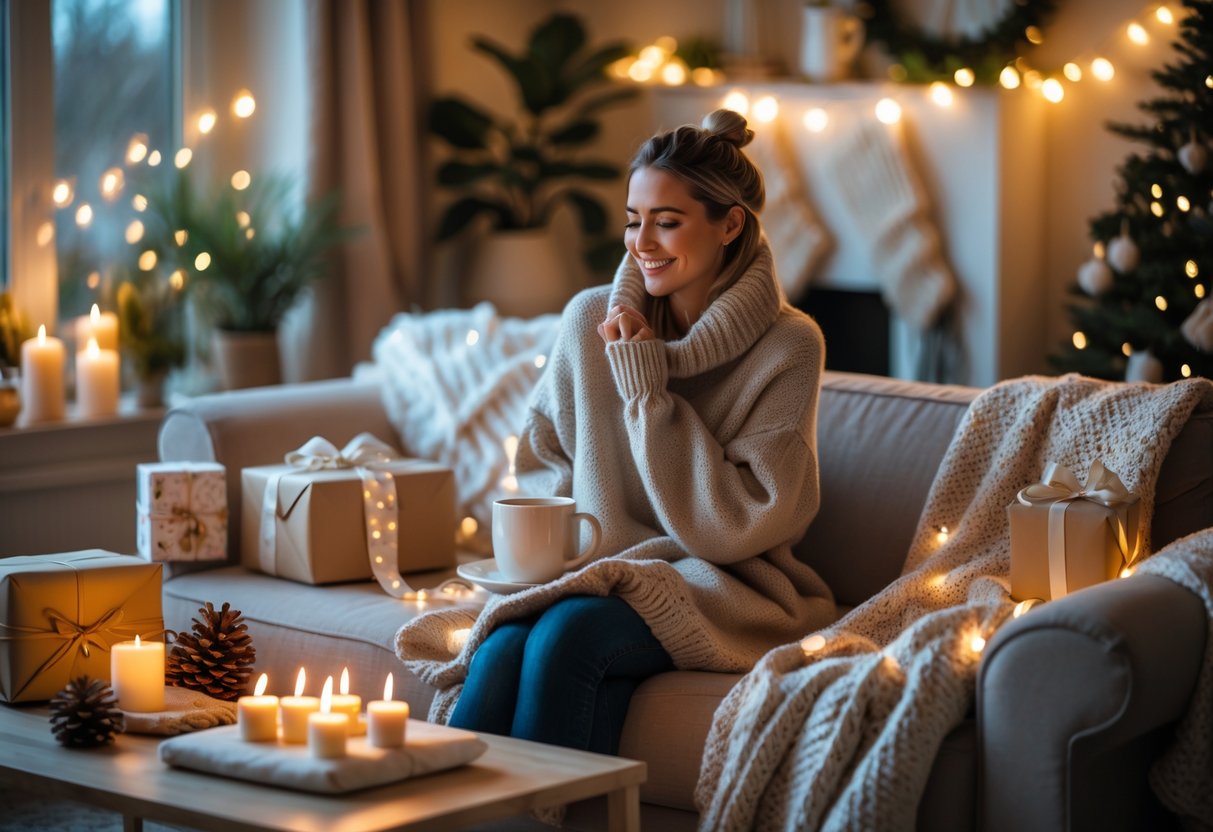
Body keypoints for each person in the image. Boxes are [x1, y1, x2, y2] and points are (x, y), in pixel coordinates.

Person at [445, 108, 834, 755]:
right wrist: (562, 550)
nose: (641, 242)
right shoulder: (589, 320)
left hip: (724, 586)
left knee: (566, 638)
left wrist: (648, 394)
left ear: (729, 225)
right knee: (503, 642)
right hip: (594, 572)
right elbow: (544, 458)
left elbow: (742, 524)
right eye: (633, 220)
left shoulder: (789, 345)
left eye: (667, 222)